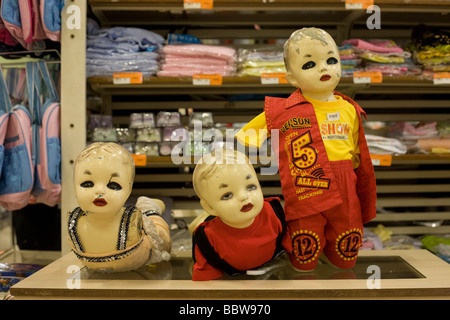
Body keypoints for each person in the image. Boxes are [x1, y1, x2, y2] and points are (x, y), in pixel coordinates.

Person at [235, 27, 377, 271]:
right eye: (309, 64)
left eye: (331, 60)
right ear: (291, 77)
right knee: (304, 254)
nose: (324, 68)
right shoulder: (282, 111)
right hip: (306, 186)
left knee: (345, 253)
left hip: (346, 188)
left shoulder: (350, 110)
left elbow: (356, 155)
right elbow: (245, 138)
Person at [68, 142, 171, 272]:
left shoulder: (133, 223)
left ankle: (149, 207)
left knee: (163, 237)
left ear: (129, 190)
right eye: (87, 183)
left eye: (113, 185)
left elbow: (163, 244)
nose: (100, 191)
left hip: (143, 253)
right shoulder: (74, 222)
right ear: (74, 187)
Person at [191, 149, 289, 280]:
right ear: (209, 207)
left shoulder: (274, 214)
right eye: (227, 195)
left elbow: (294, 249)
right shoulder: (208, 239)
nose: (244, 197)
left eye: (251, 187)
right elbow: (206, 283)